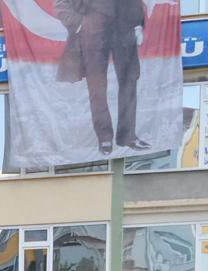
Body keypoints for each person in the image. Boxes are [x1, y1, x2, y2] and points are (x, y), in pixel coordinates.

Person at [54, 0, 147, 157]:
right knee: (96, 85)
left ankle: (127, 136)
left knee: (129, 80)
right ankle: (104, 137)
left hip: (124, 24)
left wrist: (137, 24)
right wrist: (78, 23)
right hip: (92, 24)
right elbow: (61, 2)